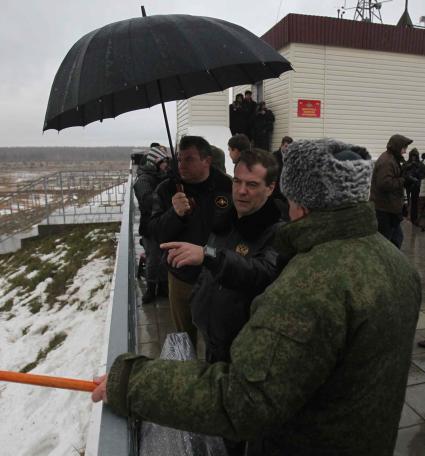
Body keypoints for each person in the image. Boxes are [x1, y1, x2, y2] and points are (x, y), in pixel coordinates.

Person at [92, 139, 421, 456]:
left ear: (298, 200)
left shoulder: (311, 283)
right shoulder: (397, 264)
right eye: (238, 182)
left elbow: (244, 400)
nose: (242, 190)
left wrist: (132, 382)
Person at [161, 149, 287, 364]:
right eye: (237, 182)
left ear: (270, 188)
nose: (241, 191)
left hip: (244, 349)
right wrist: (197, 298)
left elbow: (261, 272)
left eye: (252, 184)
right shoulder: (226, 220)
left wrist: (207, 256)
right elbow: (213, 262)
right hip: (212, 339)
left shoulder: (279, 231)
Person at [148, 136, 232, 347]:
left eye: (189, 159)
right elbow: (155, 234)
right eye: (179, 158)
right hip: (181, 277)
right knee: (183, 339)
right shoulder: (167, 190)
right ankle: (186, 375)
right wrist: (174, 214)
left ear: (207, 160)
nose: (181, 165)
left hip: (217, 275)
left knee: (217, 335)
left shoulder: (226, 186)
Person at [133, 146, 170, 303]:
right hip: (150, 227)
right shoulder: (143, 180)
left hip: (162, 224)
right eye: (163, 162)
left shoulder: (161, 176)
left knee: (163, 258)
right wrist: (165, 194)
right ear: (155, 163)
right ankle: (150, 289)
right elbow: (147, 200)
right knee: (153, 259)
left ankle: (162, 287)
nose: (166, 165)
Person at [370, 134, 413, 248]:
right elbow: (384, 184)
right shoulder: (387, 161)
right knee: (386, 242)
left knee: (396, 239)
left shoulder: (392, 159)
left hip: (390, 207)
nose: (405, 151)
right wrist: (403, 180)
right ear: (397, 147)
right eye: (404, 148)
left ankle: (389, 263)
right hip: (384, 209)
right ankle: (382, 263)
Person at [272, 136, 293, 221]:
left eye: (289, 147)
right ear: (281, 145)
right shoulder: (274, 156)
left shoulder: (291, 156)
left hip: (286, 189)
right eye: (286, 146)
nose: (287, 149)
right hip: (276, 188)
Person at [402, 148, 425, 225]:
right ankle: (406, 216)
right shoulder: (406, 164)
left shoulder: (421, 165)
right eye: (412, 156)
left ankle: (414, 218)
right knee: (407, 201)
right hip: (407, 185)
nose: (413, 158)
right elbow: (402, 173)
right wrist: (409, 177)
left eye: (415, 156)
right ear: (410, 156)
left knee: (415, 202)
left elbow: (423, 175)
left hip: (416, 186)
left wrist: (417, 177)